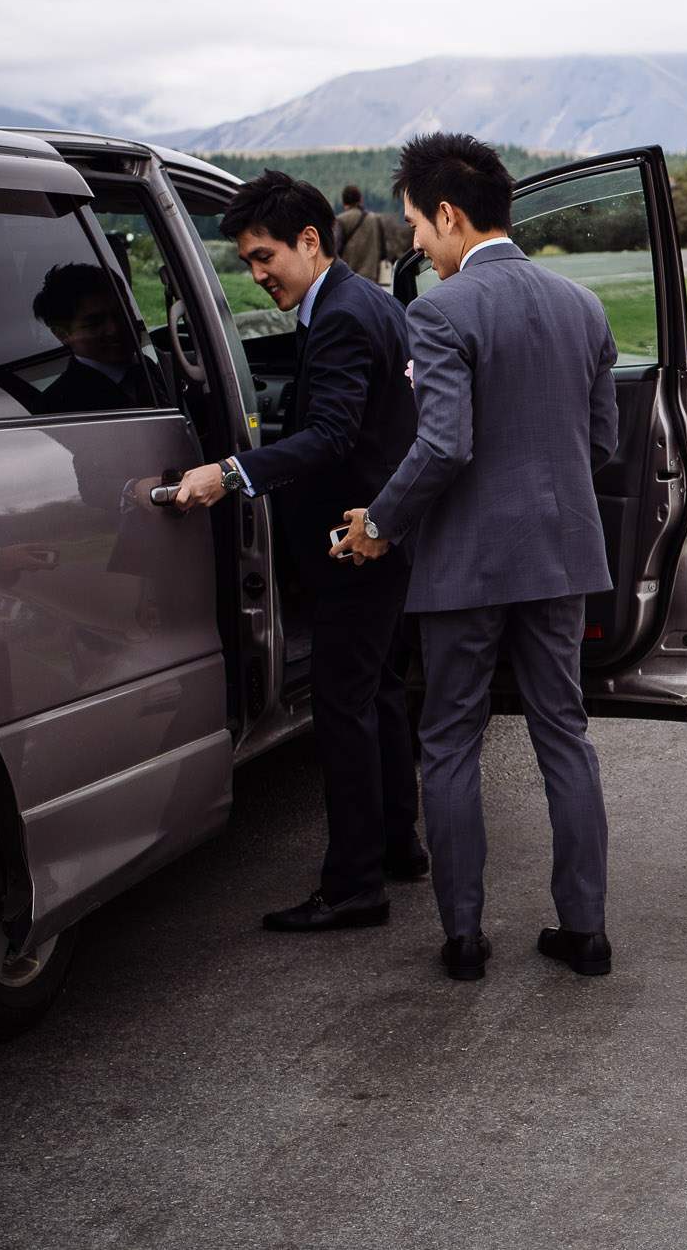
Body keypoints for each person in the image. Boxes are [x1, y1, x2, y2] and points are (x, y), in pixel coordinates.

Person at [333, 132, 618, 984]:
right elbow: (600, 441)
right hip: (563, 556)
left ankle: (463, 935)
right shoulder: (584, 307)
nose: (414, 240)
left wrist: (380, 520)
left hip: (465, 564)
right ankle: (587, 930)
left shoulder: (441, 311)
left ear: (450, 216)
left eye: (417, 222)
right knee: (564, 733)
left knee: (450, 738)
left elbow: (446, 444)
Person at [172, 171, 427, 932]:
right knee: (378, 692)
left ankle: (353, 887)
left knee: (344, 709)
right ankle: (396, 845)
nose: (256, 277)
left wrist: (231, 472)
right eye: (248, 263)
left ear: (309, 241)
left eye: (263, 257)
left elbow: (335, 434)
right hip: (383, 535)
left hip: (355, 543)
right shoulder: (364, 301)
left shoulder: (343, 316)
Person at [30, 263, 161, 413]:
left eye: (121, 314)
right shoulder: (55, 407)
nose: (114, 329)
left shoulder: (150, 368)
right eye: (94, 323)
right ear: (62, 334)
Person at [335, 185, 388, 284]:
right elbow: (383, 252)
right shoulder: (375, 219)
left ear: (343, 202)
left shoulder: (340, 220)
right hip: (371, 277)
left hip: (349, 277)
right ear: (360, 200)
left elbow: (336, 249)